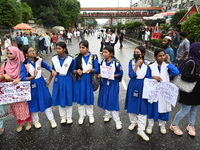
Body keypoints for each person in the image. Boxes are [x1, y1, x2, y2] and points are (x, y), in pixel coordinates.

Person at [20, 46, 57, 129]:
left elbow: (47, 67)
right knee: (33, 102)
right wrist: (32, 76)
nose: (33, 52)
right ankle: (35, 120)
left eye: (33, 50)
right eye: (30, 51)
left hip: (41, 83)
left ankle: (52, 119)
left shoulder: (39, 60)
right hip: (31, 85)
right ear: (26, 54)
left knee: (46, 100)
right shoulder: (24, 63)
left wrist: (52, 70)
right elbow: (23, 78)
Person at [146, 49, 179, 135]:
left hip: (164, 92)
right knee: (152, 108)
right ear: (155, 57)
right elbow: (146, 78)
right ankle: (150, 125)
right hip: (154, 92)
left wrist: (169, 61)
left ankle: (162, 125)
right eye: (160, 56)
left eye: (163, 55)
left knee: (164, 109)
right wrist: (153, 78)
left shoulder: (167, 66)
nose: (162, 57)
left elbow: (176, 72)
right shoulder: (151, 66)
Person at [170, 42, 200, 136]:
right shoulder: (191, 62)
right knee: (185, 110)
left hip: (197, 91)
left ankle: (191, 125)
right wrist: (197, 76)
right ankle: (174, 125)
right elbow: (184, 76)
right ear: (195, 50)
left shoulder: (199, 62)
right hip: (188, 91)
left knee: (194, 109)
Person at [3, 47, 32, 132]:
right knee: (15, 107)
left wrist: (19, 79)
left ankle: (28, 122)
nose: (8, 55)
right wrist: (4, 76)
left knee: (25, 106)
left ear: (16, 53)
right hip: (11, 90)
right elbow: (1, 75)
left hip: (22, 89)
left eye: (11, 53)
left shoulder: (22, 63)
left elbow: (28, 75)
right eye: (7, 53)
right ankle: (20, 123)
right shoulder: (5, 64)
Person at [124, 46, 150, 141]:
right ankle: (133, 122)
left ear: (142, 53)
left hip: (143, 85)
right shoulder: (131, 62)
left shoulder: (147, 63)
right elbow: (131, 75)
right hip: (133, 84)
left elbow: (148, 76)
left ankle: (141, 129)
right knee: (132, 104)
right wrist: (136, 65)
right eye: (135, 52)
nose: (135, 53)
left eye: (138, 52)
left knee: (143, 107)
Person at [47, 42, 74, 124]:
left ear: (64, 49)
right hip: (58, 80)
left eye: (59, 48)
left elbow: (72, 71)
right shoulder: (54, 59)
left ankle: (69, 117)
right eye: (57, 48)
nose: (57, 50)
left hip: (68, 79)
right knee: (60, 98)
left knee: (68, 97)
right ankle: (63, 117)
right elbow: (52, 70)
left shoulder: (70, 59)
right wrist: (49, 80)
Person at [98, 46, 123, 130]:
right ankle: (107, 114)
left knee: (113, 100)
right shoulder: (102, 62)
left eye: (105, 52)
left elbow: (120, 73)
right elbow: (100, 71)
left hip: (113, 83)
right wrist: (100, 75)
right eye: (103, 52)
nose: (103, 54)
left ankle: (117, 120)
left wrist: (113, 75)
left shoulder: (116, 63)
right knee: (105, 98)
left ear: (111, 54)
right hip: (104, 83)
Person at [73, 40, 99, 125]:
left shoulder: (93, 57)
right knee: (81, 97)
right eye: (80, 47)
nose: (81, 49)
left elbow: (97, 68)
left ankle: (90, 115)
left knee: (89, 97)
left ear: (87, 48)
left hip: (89, 79)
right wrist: (77, 71)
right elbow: (73, 69)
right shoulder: (77, 57)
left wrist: (92, 70)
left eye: (83, 47)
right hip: (80, 79)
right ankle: (81, 115)